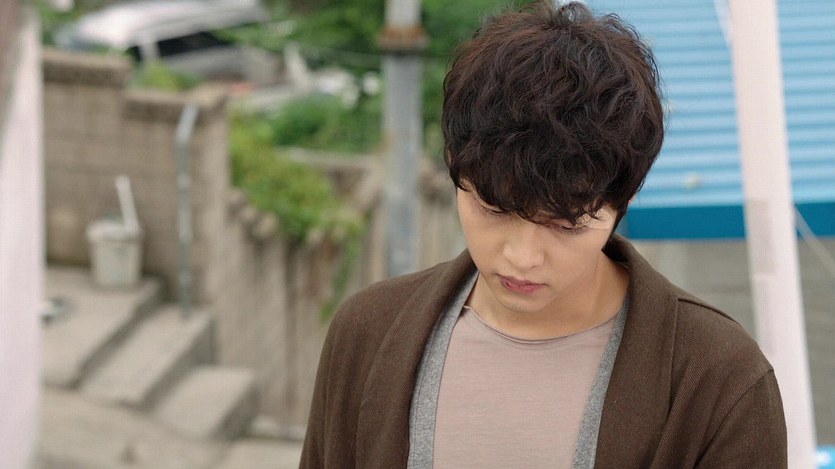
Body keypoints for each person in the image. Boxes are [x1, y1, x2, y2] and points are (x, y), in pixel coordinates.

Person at [300, 1, 787, 467]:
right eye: (493, 208)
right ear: (453, 166)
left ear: (624, 198)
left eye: (566, 224)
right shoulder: (368, 332)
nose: (522, 256)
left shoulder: (719, 377)